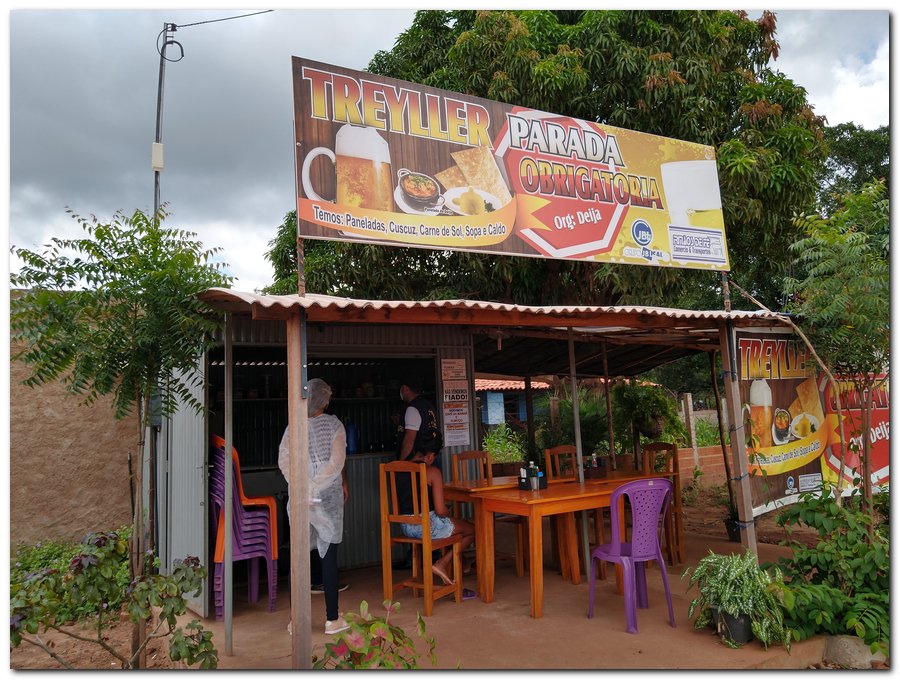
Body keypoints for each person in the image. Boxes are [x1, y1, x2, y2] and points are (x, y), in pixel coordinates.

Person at [278, 378, 349, 635]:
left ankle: (296, 621)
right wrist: (316, 485)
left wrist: (302, 484)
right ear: (325, 400)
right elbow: (336, 462)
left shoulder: (293, 427)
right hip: (325, 498)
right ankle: (332, 619)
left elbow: (284, 460)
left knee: (298, 558)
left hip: (299, 498)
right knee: (328, 555)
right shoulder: (335, 426)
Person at [395, 449, 475, 586]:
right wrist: (447, 512)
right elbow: (440, 510)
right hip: (427, 528)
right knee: (472, 529)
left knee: (453, 528)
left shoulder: (397, 469)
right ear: (431, 455)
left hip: (406, 527)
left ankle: (463, 561)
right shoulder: (432, 472)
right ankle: (442, 563)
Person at [398, 378, 443, 469]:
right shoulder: (427, 405)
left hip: (418, 461)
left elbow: (409, 440)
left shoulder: (412, 408)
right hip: (431, 458)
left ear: (405, 388)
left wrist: (401, 464)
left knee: (418, 483)